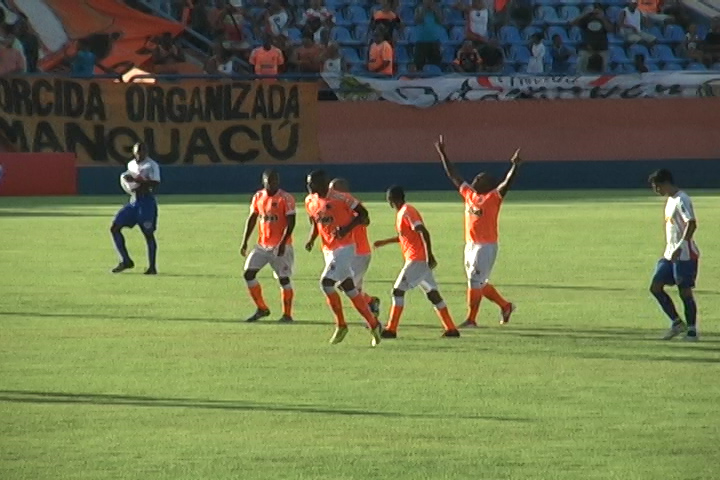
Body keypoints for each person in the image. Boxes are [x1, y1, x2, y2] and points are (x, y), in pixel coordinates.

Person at [434, 135, 520, 327]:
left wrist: (515, 166)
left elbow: (506, 184)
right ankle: (505, 306)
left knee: (475, 280)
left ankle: (472, 319)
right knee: (478, 282)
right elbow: (453, 175)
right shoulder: (469, 195)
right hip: (470, 245)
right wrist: (442, 153)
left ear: (488, 185)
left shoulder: (492, 198)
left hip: (486, 246)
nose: (476, 179)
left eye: (480, 178)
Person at [304, 170, 382, 346]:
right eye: (308, 183)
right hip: (328, 250)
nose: (309, 187)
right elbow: (316, 222)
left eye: (312, 183)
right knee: (349, 288)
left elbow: (363, 215)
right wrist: (311, 239)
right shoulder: (310, 201)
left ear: (323, 183)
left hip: (345, 248)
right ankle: (374, 324)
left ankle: (341, 324)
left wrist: (347, 228)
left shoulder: (341, 199)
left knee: (326, 283)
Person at [373, 186, 460, 339]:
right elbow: (407, 236)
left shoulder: (407, 211)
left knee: (397, 291)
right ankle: (451, 329)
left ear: (390, 200)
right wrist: (385, 242)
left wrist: (429, 255)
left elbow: (422, 231)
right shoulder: (402, 213)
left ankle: (391, 329)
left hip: (417, 260)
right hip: (419, 260)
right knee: (433, 295)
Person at [648, 169, 700, 341]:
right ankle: (677, 323)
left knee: (684, 292)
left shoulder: (681, 199)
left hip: (684, 255)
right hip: (669, 254)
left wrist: (681, 245)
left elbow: (691, 224)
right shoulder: (670, 201)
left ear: (665, 183)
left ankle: (692, 330)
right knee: (655, 287)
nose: (656, 191)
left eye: (657, 186)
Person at [240, 170, 296, 323]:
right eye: (270, 181)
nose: (273, 184)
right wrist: (245, 241)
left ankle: (287, 315)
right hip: (262, 246)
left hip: (280, 246)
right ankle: (262, 308)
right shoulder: (258, 196)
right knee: (248, 274)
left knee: (283, 279)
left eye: (276, 180)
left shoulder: (286, 198)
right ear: (263, 181)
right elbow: (253, 218)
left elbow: (291, 223)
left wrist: (283, 243)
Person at [329, 178, 381, 319]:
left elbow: (366, 220)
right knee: (354, 289)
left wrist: (349, 225)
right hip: (347, 252)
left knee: (344, 285)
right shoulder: (334, 205)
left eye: (333, 189)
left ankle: (371, 308)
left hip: (360, 252)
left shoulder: (353, 204)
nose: (331, 193)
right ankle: (371, 306)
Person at [111, 142, 161, 275]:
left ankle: (152, 267)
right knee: (115, 227)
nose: (140, 154)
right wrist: (129, 183)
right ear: (133, 152)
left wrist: (137, 181)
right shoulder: (131, 165)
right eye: (138, 151)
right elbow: (129, 181)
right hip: (134, 201)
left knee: (148, 233)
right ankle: (126, 260)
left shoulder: (152, 165)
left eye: (142, 151)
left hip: (147, 203)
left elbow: (155, 183)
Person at [572, 4, 612, 73]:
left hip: (602, 48)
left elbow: (611, 29)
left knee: (603, 70)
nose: (596, 11)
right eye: (595, 9)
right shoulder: (586, 19)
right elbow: (573, 23)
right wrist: (585, 14)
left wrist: (602, 18)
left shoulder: (605, 19)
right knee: (581, 68)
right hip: (587, 48)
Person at [414, 0, 444, 70]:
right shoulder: (419, 9)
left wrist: (434, 11)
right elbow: (417, 21)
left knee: (436, 64)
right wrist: (424, 10)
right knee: (419, 65)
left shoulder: (437, 9)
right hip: (421, 41)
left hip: (434, 41)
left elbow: (441, 21)